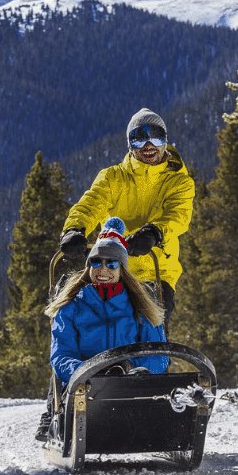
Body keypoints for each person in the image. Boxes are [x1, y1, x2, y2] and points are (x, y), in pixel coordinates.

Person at [35, 217, 167, 441]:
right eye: (96, 262)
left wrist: (132, 367)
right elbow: (61, 354)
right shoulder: (71, 307)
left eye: (112, 263)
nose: (103, 268)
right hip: (85, 386)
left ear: (122, 269)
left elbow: (159, 357)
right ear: (88, 267)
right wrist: (84, 371)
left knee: (138, 380)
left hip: (130, 386)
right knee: (78, 382)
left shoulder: (141, 307)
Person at [58, 108, 194, 323]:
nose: (148, 146)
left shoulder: (179, 181)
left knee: (146, 322)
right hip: (111, 267)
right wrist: (75, 228)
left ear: (165, 141)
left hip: (155, 270)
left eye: (156, 137)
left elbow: (178, 216)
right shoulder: (113, 177)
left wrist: (154, 233)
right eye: (139, 139)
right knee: (79, 314)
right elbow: (92, 203)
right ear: (130, 145)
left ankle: (152, 355)